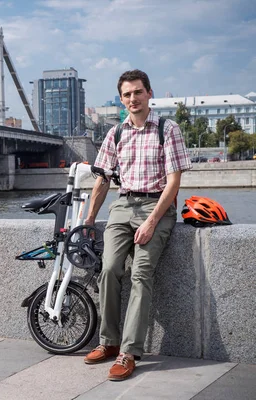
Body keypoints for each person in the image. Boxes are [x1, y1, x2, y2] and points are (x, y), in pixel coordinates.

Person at [83, 69, 191, 381]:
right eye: (127, 94)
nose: (133, 98)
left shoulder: (167, 130)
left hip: (156, 206)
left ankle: (129, 353)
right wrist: (90, 219)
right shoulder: (116, 133)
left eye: (138, 92)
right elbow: (103, 180)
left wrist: (152, 221)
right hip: (123, 205)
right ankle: (109, 342)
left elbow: (174, 183)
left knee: (141, 273)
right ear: (121, 99)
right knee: (108, 268)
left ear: (149, 93)